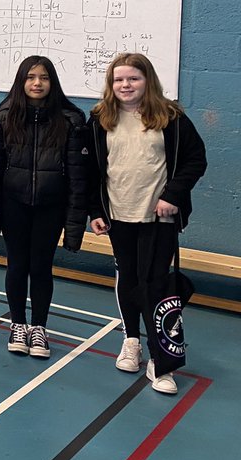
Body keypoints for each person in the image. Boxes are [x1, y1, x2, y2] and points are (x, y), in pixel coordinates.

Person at [88, 53, 206, 395]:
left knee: (156, 284)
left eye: (133, 79)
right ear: (111, 85)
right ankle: (131, 341)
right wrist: (95, 210)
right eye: (119, 79)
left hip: (159, 216)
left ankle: (162, 360)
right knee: (128, 278)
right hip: (118, 215)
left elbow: (195, 160)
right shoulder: (99, 119)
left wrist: (173, 195)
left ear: (147, 81)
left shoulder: (171, 117)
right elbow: (92, 170)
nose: (126, 85)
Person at [0, 55, 91, 358]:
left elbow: (79, 178)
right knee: (17, 265)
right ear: (21, 81)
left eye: (43, 77)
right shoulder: (3, 117)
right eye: (30, 77)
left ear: (52, 82)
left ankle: (39, 327)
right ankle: (17, 324)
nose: (37, 83)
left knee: (41, 267)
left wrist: (74, 226)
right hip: (13, 205)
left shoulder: (70, 120)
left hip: (50, 208)